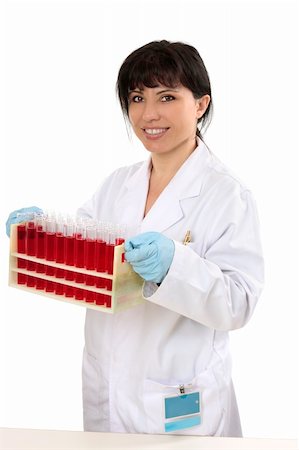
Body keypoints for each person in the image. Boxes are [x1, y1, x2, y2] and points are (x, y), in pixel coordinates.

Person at [6, 40, 264, 437]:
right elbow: (83, 250)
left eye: (166, 96)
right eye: (137, 97)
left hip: (179, 395)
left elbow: (239, 303)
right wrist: (41, 234)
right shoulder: (117, 185)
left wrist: (173, 266)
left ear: (201, 104)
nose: (148, 114)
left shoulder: (227, 194)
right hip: (107, 385)